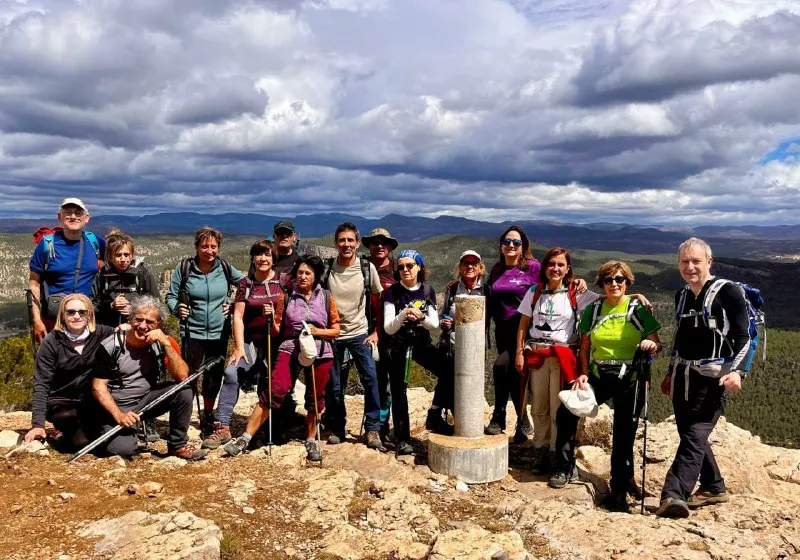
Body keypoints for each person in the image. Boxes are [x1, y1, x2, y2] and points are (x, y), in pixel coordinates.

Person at [549, 261, 661, 513]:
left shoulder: (638, 309)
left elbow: (656, 341)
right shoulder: (595, 309)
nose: (614, 284)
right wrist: (584, 374)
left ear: (627, 282)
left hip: (631, 378)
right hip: (600, 375)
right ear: (602, 283)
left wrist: (651, 346)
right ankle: (564, 467)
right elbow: (586, 345)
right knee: (565, 412)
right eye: (609, 280)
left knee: (624, 433)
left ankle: (620, 489)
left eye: (619, 280)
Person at [656, 238, 749, 518]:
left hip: (714, 378)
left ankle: (674, 494)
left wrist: (738, 371)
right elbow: (680, 336)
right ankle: (714, 486)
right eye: (685, 261)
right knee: (689, 433)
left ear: (709, 262)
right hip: (684, 376)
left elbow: (744, 335)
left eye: (696, 261)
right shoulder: (682, 295)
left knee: (695, 434)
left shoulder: (728, 292)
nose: (690, 267)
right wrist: (671, 372)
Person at [225, 256, 340, 461]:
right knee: (274, 389)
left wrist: (316, 331)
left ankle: (312, 439)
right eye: (300, 273)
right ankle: (245, 437)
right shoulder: (286, 297)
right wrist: (271, 319)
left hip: (320, 349)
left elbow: (336, 330)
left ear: (316, 276)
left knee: (316, 396)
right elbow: (278, 329)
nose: (303, 276)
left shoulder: (326, 297)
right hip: (291, 346)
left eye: (308, 273)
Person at [516, 248, 600, 474]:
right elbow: (524, 324)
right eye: (551, 264)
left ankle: (556, 452)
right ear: (545, 267)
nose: (555, 268)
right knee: (539, 406)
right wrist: (519, 352)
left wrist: (635, 296)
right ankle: (541, 448)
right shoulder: (534, 292)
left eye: (560, 265)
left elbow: (610, 298)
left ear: (568, 269)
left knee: (558, 407)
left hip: (563, 356)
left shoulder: (576, 293)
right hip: (537, 354)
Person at [91, 295, 206, 460]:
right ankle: (113, 433)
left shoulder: (162, 342)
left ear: (158, 324)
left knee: (184, 390)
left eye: (150, 322)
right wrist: (119, 415)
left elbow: (182, 376)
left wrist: (166, 343)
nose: (143, 326)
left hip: (146, 401)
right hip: (116, 407)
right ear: (130, 319)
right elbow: (98, 387)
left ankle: (177, 444)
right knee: (122, 450)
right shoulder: (111, 346)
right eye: (138, 319)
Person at [165, 227, 245, 445]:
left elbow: (246, 286)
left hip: (219, 332)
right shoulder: (185, 268)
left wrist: (235, 304)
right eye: (205, 246)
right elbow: (171, 296)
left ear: (218, 248)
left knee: (213, 375)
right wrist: (177, 308)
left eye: (213, 246)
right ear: (197, 247)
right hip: (192, 331)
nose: (209, 251)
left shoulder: (225, 268)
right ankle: (184, 414)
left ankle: (208, 415)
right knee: (188, 374)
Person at [215, 240, 285, 449]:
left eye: (268, 255)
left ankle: (265, 427)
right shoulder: (246, 284)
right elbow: (238, 316)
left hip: (276, 341)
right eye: (259, 254)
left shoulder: (283, 281)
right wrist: (238, 348)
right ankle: (222, 425)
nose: (263, 259)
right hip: (250, 341)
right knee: (231, 372)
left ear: (274, 259)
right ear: (253, 258)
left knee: (270, 382)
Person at [23, 295, 115, 449]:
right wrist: (37, 425)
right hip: (61, 403)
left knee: (102, 441)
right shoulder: (51, 342)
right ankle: (63, 433)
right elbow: (41, 383)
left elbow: (129, 336)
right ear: (63, 316)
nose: (76, 316)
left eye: (82, 312)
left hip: (92, 400)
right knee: (81, 443)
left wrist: (127, 328)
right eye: (70, 312)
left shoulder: (103, 334)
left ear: (90, 314)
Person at [322, 222, 384, 449]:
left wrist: (376, 331)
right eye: (342, 240)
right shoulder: (329, 268)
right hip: (334, 334)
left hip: (359, 333)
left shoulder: (367, 268)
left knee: (371, 379)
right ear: (336, 243)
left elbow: (379, 300)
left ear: (357, 243)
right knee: (335, 385)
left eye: (350, 240)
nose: (346, 244)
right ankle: (337, 426)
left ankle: (373, 428)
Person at [485, 226, 540, 441]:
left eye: (516, 242)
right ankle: (521, 421)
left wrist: (577, 283)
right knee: (512, 373)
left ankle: (500, 416)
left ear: (523, 246)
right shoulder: (497, 269)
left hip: (524, 330)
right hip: (502, 330)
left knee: (503, 367)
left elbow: (555, 280)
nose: (511, 245)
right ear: (501, 244)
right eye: (507, 241)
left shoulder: (533, 267)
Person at [383, 250, 440, 455]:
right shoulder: (392, 292)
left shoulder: (427, 290)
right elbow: (388, 327)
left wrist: (421, 318)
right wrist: (403, 314)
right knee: (399, 392)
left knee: (448, 370)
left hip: (421, 343)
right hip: (399, 345)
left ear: (419, 267)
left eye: (410, 265)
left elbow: (434, 323)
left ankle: (436, 413)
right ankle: (402, 438)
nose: (405, 270)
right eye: (401, 267)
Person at [28, 198, 105, 342]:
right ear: (60, 217)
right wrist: (37, 321)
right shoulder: (47, 244)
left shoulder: (94, 241)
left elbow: (117, 262)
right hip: (55, 321)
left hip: (88, 319)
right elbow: (34, 284)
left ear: (86, 218)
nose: (73, 217)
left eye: (78, 213)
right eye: (68, 212)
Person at [436, 250, 489, 433]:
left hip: (475, 347)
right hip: (452, 344)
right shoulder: (452, 288)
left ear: (480, 268)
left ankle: (467, 423)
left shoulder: (486, 290)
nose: (470, 267)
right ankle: (449, 418)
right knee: (450, 379)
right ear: (460, 267)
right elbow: (443, 313)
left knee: (470, 384)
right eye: (466, 263)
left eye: (474, 263)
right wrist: (445, 323)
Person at [362, 227, 399, 438]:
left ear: (390, 247)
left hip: (391, 332)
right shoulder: (363, 267)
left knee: (386, 381)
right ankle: (374, 425)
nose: (379, 246)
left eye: (383, 243)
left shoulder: (397, 271)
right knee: (372, 379)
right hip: (365, 331)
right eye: (374, 242)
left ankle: (382, 424)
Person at [91, 229, 160, 327]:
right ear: (110, 257)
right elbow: (92, 305)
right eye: (118, 255)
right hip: (109, 330)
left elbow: (157, 304)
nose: (123, 259)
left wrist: (135, 310)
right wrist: (111, 306)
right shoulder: (102, 275)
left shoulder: (142, 274)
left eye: (126, 255)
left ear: (132, 255)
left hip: (137, 330)